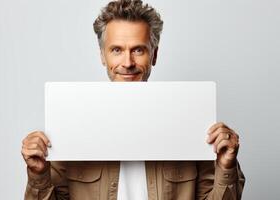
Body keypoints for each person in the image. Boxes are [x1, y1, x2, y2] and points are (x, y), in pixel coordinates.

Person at [21, 0, 245, 199]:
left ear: (154, 54)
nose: (127, 62)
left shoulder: (192, 121)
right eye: (117, 50)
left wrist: (226, 166)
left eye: (138, 50)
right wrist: (38, 174)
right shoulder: (72, 122)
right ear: (103, 55)